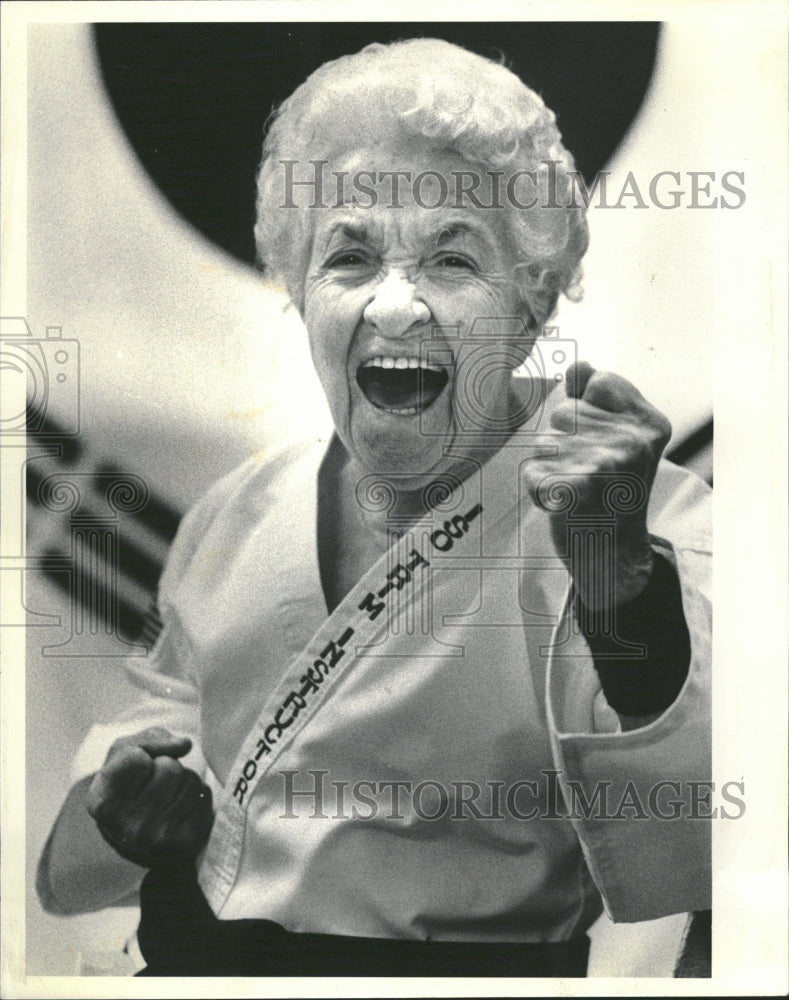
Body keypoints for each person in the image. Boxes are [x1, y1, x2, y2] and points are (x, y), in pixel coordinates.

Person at [37, 38, 711, 977]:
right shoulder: (235, 515)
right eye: (349, 256)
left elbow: (701, 851)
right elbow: (79, 862)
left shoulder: (644, 516)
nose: (394, 307)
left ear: (534, 298)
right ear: (297, 289)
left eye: (449, 261)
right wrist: (125, 810)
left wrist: (619, 579)